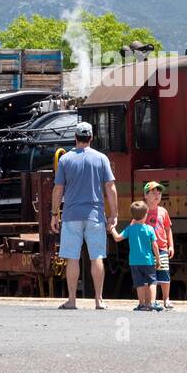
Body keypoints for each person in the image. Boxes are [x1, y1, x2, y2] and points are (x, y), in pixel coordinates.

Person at [51, 121, 118, 309]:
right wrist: (114, 214)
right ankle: (99, 299)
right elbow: (110, 188)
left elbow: (58, 189)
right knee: (96, 256)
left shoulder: (65, 160)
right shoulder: (101, 158)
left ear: (75, 138)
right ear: (91, 138)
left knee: (72, 258)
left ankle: (72, 300)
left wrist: (54, 214)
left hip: (71, 215)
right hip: (95, 215)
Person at [109, 201, 161, 311]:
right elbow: (155, 246)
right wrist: (158, 259)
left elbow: (117, 238)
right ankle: (152, 303)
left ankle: (142, 304)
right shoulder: (149, 229)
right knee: (152, 281)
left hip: (134, 262)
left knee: (139, 283)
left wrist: (112, 229)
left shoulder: (130, 229)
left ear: (132, 215)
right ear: (146, 214)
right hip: (148, 261)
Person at [143, 181, 175, 309]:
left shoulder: (163, 211)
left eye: (159, 193)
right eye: (153, 193)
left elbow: (168, 229)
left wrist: (171, 246)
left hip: (162, 247)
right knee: (149, 276)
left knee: (164, 273)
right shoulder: (142, 211)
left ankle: (166, 299)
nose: (157, 195)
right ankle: (150, 300)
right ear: (146, 195)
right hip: (147, 249)